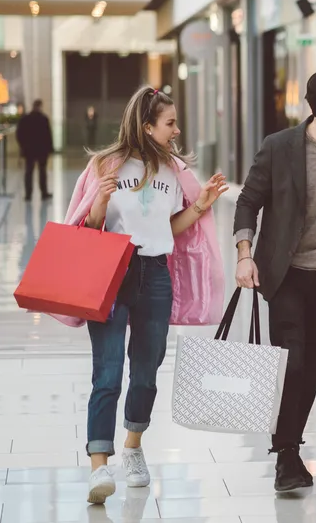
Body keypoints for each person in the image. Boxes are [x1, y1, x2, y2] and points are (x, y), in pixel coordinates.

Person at [59, 86, 227, 504]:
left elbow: (166, 229)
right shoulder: (105, 165)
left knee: (148, 371)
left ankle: (133, 445)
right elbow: (88, 230)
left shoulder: (174, 171)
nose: (177, 129)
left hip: (154, 274)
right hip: (111, 272)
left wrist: (202, 204)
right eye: (169, 122)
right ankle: (99, 464)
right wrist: (99, 200)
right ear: (146, 125)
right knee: (108, 372)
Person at [234, 68, 316, 492]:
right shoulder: (280, 147)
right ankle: (286, 455)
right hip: (287, 273)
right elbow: (248, 200)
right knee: (293, 361)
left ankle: (289, 447)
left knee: (312, 366)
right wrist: (244, 255)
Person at [17, 99, 54, 201]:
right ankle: (44, 193)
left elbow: (19, 134)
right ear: (40, 106)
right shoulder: (43, 119)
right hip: (42, 150)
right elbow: (48, 135)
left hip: (29, 150)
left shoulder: (25, 119)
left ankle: (28, 195)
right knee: (42, 172)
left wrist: (23, 146)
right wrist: (50, 149)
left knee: (29, 172)